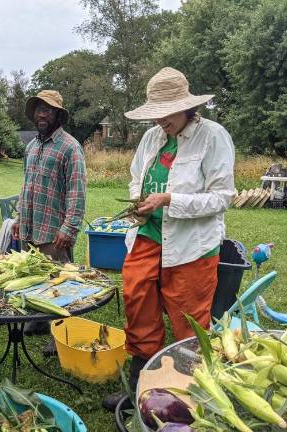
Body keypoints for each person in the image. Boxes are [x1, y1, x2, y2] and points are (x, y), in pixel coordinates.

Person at [102, 67, 235, 411]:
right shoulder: (151, 138)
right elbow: (136, 179)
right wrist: (139, 204)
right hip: (147, 237)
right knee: (138, 306)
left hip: (191, 246)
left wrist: (170, 201)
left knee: (188, 320)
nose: (161, 120)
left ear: (188, 107)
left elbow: (222, 197)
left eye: (167, 113)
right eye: (156, 113)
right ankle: (137, 389)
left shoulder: (213, 136)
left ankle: (189, 397)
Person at [12, 90, 87, 339]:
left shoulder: (70, 148)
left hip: (54, 231)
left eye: (49, 110)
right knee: (35, 278)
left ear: (58, 115)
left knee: (60, 283)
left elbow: (77, 192)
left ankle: (62, 335)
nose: (42, 114)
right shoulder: (31, 147)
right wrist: (19, 218)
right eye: (39, 109)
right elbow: (26, 186)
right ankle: (38, 321)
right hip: (31, 226)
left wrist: (69, 228)